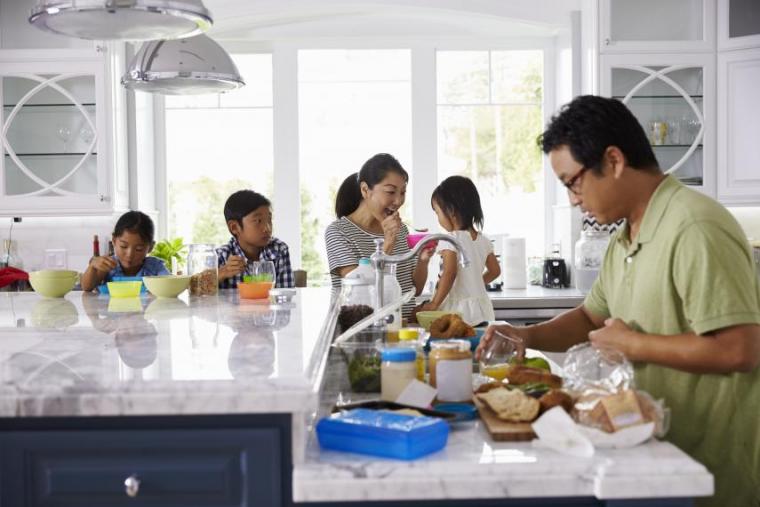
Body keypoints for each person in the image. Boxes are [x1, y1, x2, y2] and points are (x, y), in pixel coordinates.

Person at [477, 95, 760, 507]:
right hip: (650, 453)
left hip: (706, 471)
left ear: (613, 161)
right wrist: (526, 335)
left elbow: (741, 348)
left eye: (574, 182)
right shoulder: (625, 237)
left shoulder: (695, 226)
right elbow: (592, 317)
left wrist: (633, 345)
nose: (574, 198)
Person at [325, 153, 431, 320]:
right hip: (362, 330)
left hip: (402, 327)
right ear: (365, 190)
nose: (398, 201)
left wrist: (423, 260)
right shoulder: (338, 232)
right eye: (390, 192)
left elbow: (413, 290)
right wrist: (387, 245)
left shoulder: (401, 230)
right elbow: (359, 293)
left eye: (402, 192)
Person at [418, 175, 500, 326]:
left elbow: (450, 273)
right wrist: (474, 284)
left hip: (458, 310)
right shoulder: (484, 240)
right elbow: (495, 271)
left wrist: (434, 303)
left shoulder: (450, 239)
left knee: (454, 347)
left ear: (451, 211)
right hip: (482, 309)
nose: (438, 219)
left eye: (437, 213)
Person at [216, 189, 294, 289]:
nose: (267, 228)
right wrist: (221, 273)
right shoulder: (220, 256)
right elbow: (197, 296)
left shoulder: (279, 250)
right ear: (234, 227)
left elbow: (285, 296)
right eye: (258, 221)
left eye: (269, 220)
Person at [81, 211, 169, 292]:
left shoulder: (155, 267)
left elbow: (168, 284)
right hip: (112, 309)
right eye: (123, 246)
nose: (130, 254)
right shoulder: (107, 265)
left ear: (150, 247)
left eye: (139, 249)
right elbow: (87, 287)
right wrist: (92, 266)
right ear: (114, 241)